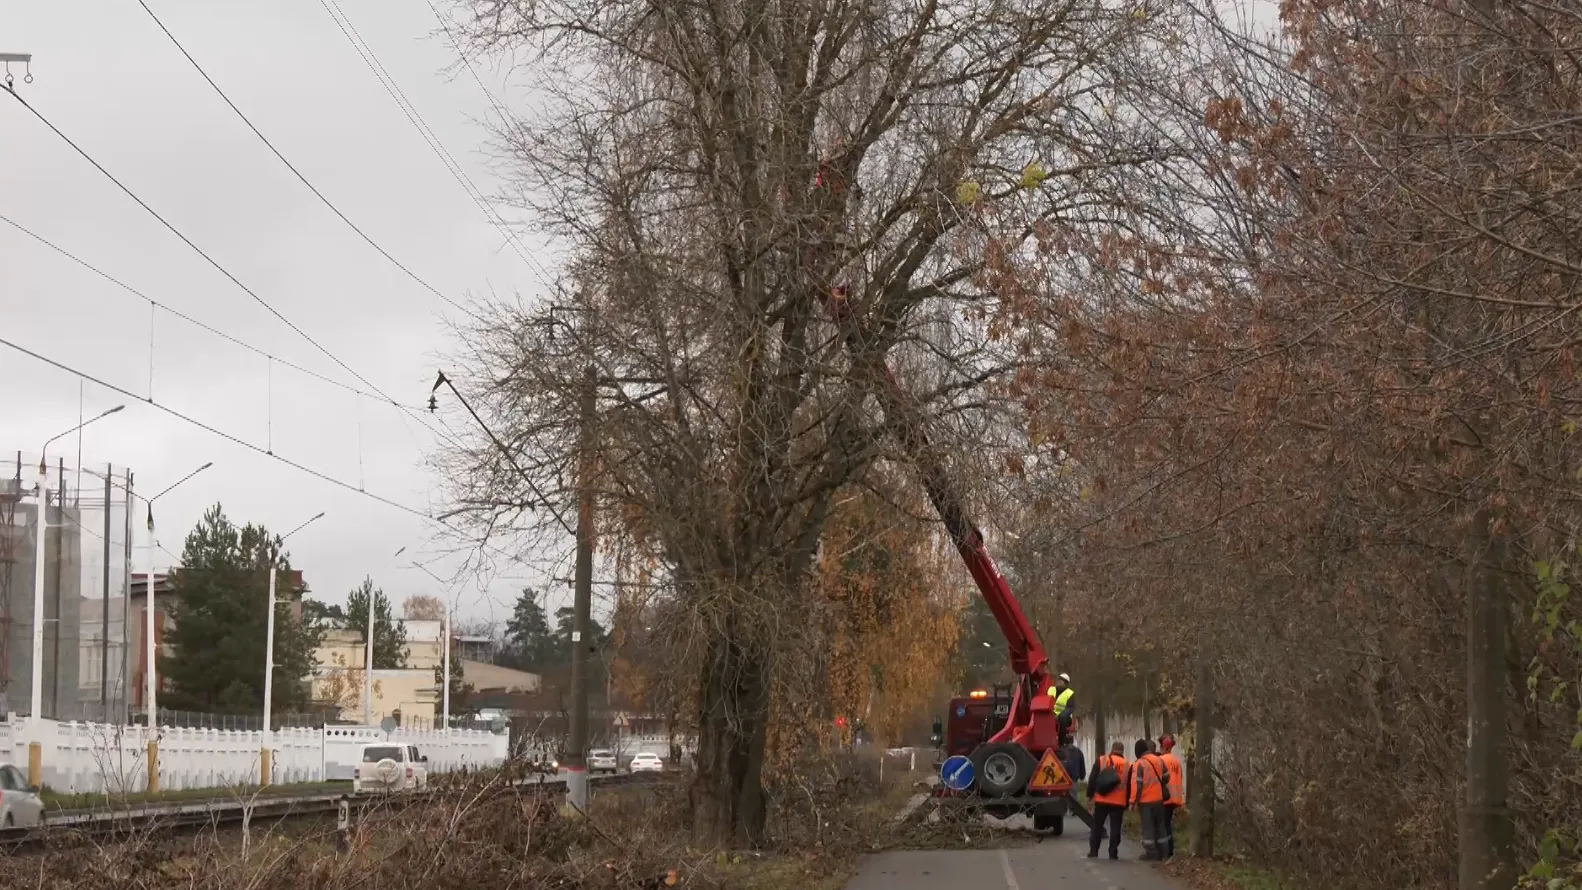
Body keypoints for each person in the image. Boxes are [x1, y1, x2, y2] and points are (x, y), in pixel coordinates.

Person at [1129, 738, 1172, 861]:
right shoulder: (1158, 760)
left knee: (1148, 828)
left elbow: (1136, 785)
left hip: (1146, 802)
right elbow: (1166, 776)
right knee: (1160, 827)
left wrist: (1133, 802)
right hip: (1159, 800)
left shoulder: (1139, 764)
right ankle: (1164, 853)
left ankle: (1151, 854)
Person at [1086, 740, 1128, 860]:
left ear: (1112, 749)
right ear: (1122, 751)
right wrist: (1129, 801)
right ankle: (1113, 853)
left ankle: (1093, 851)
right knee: (1115, 827)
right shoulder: (1127, 764)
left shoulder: (1102, 760)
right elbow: (1130, 784)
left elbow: (1093, 778)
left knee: (1097, 826)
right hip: (1119, 802)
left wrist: (1090, 796)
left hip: (1102, 799)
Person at [1159, 735, 1186, 859]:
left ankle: (1167, 850)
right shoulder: (1177, 761)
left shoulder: (1161, 760)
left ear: (1164, 747)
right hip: (1175, 798)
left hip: (1165, 797)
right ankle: (1169, 849)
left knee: (1164, 825)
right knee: (1167, 824)